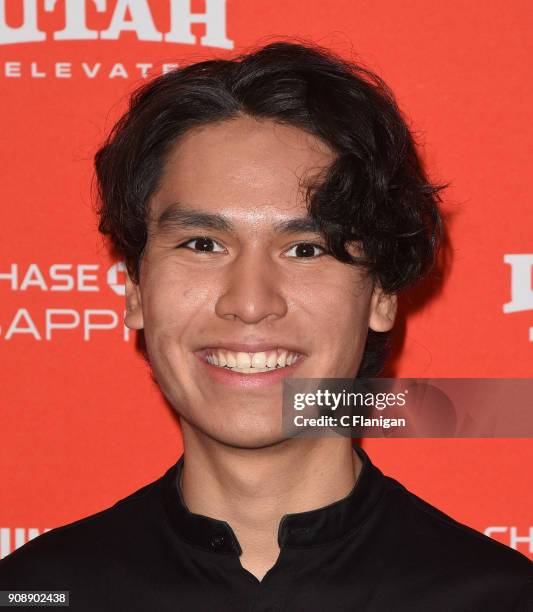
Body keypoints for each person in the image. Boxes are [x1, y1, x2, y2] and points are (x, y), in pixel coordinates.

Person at [1, 40, 531, 611]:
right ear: (135, 287)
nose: (250, 304)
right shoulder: (37, 591)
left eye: (306, 250)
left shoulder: (497, 598)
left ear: (381, 293)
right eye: (203, 244)